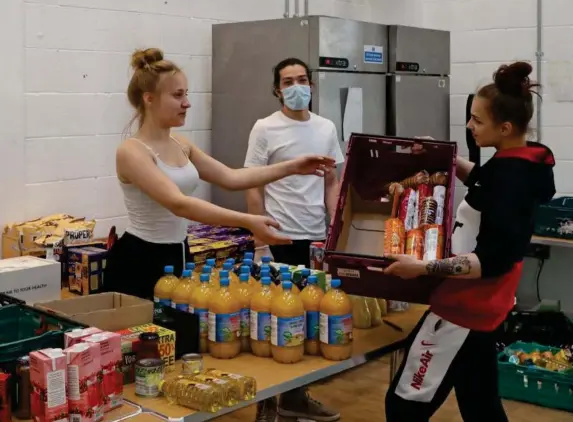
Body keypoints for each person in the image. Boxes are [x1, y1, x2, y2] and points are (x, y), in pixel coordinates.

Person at [383, 61, 556, 421]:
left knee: (403, 408)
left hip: (463, 308)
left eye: (477, 120)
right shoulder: (517, 162)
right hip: (484, 307)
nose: (469, 126)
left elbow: (491, 259)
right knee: (481, 407)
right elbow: (487, 181)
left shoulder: (511, 182)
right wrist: (446, 158)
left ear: (504, 127)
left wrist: (423, 267)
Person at [103, 48, 336, 299]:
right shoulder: (131, 151)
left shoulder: (181, 144)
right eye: (178, 95)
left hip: (179, 252)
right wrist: (247, 221)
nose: (187, 103)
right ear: (149, 99)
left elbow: (231, 178)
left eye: (187, 94)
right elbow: (179, 204)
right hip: (140, 257)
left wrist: (291, 166)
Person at [244, 57, 344, 422]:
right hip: (279, 238)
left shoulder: (326, 127)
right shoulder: (265, 128)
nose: (296, 87)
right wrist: (259, 239)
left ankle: (296, 398)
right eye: (288, 82)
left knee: (310, 323)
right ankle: (267, 405)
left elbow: (332, 182)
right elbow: (252, 184)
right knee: (275, 324)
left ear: (312, 85)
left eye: (302, 79)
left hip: (316, 239)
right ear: (277, 89)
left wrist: (334, 228)